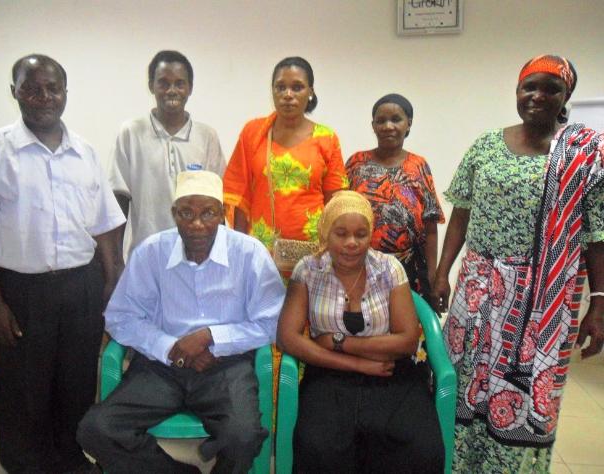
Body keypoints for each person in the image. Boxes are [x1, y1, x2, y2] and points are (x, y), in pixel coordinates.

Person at [431, 55, 604, 473]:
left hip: (542, 302)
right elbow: (461, 213)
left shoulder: (582, 156)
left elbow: (596, 236)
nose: (537, 96)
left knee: (523, 398)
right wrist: (441, 273)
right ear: (517, 91)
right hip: (477, 291)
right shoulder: (486, 145)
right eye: (530, 87)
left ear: (566, 97)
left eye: (551, 89)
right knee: (463, 381)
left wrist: (599, 303)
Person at [0, 54, 125, 473]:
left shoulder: (85, 153)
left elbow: (106, 225)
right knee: (24, 390)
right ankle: (26, 466)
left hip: (81, 287)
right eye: (32, 88)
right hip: (21, 292)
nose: (44, 97)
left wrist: (111, 283)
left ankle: (71, 461)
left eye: (53, 88)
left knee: (75, 383)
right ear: (15, 93)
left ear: (65, 93)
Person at [77, 171, 286, 474]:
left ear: (222, 214)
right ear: (174, 213)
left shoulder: (249, 253)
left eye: (208, 213)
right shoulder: (151, 252)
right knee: (96, 430)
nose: (197, 224)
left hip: (225, 366)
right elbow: (120, 317)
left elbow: (272, 321)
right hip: (160, 367)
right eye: (186, 213)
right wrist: (172, 347)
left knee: (242, 437)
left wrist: (211, 338)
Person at [277, 191, 444, 474]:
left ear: (371, 235)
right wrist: (358, 364)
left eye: (361, 234)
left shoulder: (389, 268)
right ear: (326, 233)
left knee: (420, 447)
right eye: (341, 234)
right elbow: (287, 338)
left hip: (390, 372)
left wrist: (340, 342)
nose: (352, 243)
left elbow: (406, 341)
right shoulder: (308, 270)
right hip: (329, 374)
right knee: (318, 446)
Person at [222, 56, 348, 396]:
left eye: (297, 87)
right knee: (264, 330)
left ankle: (302, 404)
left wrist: (333, 254)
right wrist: (239, 251)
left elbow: (337, 203)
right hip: (261, 255)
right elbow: (238, 195)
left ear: (310, 92)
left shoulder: (326, 138)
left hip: (314, 258)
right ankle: (265, 406)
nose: (288, 94)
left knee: (309, 330)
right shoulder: (254, 132)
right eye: (281, 87)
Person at [109, 50, 225, 256]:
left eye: (180, 83)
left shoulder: (207, 136)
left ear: (190, 88)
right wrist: (116, 259)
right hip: (146, 254)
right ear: (151, 86)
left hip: (196, 256)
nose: (172, 90)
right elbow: (118, 201)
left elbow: (217, 202)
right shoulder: (131, 133)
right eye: (163, 83)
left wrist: (219, 253)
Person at [346, 93, 444, 298]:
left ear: (409, 124)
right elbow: (339, 214)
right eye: (381, 121)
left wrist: (432, 275)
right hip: (359, 266)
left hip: (410, 272)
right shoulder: (357, 162)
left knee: (406, 318)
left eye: (396, 119)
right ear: (373, 126)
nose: (388, 126)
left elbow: (430, 227)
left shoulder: (418, 166)